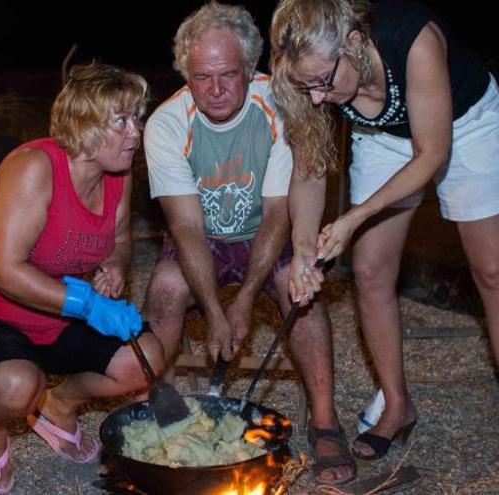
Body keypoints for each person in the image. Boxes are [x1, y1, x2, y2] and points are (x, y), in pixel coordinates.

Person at [270, 0, 499, 461]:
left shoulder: (413, 40)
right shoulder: (310, 79)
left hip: (466, 124)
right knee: (371, 270)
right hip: (381, 138)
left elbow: (432, 153)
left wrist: (354, 219)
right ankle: (397, 405)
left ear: (353, 44)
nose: (316, 97)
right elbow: (310, 169)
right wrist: (301, 250)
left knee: (492, 270)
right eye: (305, 85)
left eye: (322, 82)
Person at [142, 2, 354, 486]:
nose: (215, 90)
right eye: (201, 77)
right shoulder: (167, 125)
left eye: (228, 74)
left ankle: (324, 419)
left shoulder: (279, 105)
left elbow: (280, 212)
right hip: (206, 239)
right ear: (185, 73)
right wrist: (217, 312)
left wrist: (243, 300)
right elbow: (188, 229)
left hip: (266, 230)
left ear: (250, 67)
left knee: (299, 283)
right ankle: (156, 406)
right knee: (167, 286)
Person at [0, 62, 161, 494]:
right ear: (82, 124)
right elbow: (4, 272)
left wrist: (114, 267)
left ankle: (58, 406)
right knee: (15, 386)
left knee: (148, 360)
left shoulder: (116, 177)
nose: (136, 131)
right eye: (121, 119)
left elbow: (119, 240)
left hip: (59, 320)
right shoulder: (33, 166)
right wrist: (88, 305)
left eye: (137, 117)